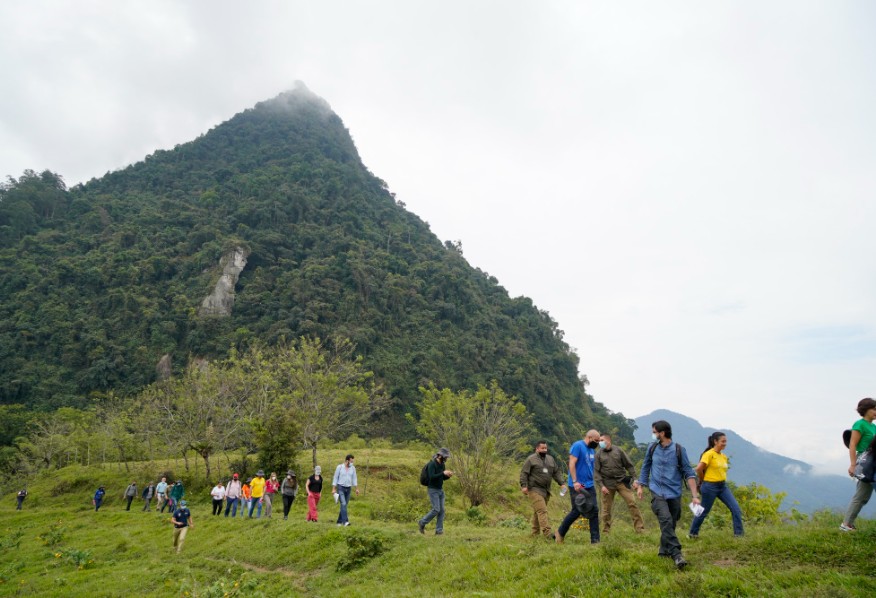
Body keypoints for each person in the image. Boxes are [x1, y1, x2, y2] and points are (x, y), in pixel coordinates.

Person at [634, 420, 700, 570]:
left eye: (654, 432)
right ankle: (677, 554)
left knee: (671, 522)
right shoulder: (652, 448)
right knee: (665, 519)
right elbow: (645, 467)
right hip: (657, 490)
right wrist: (641, 486)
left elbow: (689, 473)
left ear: (662, 433)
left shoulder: (679, 450)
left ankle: (663, 552)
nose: (653, 434)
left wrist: (695, 496)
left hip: (674, 492)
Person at [688, 431, 744, 538]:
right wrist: (702, 479)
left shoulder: (723, 456)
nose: (725, 444)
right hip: (710, 487)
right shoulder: (709, 454)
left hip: (722, 486)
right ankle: (693, 533)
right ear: (715, 441)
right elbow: (699, 469)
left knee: (735, 508)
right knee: (703, 511)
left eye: (725, 441)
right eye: (723, 441)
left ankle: (739, 535)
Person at [556, 430, 601, 544]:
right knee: (577, 511)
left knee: (594, 511)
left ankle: (595, 541)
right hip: (577, 485)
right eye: (596, 440)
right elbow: (572, 463)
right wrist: (575, 481)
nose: (597, 443)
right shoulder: (578, 446)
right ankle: (560, 533)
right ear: (589, 437)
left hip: (589, 484)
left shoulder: (591, 450)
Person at [594, 433, 645, 534]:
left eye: (602, 440)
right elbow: (596, 472)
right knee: (606, 509)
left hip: (621, 481)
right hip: (607, 484)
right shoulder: (598, 454)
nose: (600, 443)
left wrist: (635, 479)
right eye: (599, 441)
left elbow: (629, 465)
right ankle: (606, 531)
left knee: (632, 503)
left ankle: (640, 529)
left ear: (608, 440)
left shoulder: (618, 450)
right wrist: (602, 486)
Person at [840, 397, 876, 532]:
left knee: (862, 496)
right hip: (865, 463)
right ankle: (846, 524)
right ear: (865, 410)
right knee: (861, 496)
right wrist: (853, 465)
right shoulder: (859, 425)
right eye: (874, 409)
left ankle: (847, 524)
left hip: (874, 462)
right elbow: (852, 444)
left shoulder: (873, 427)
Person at [519, 440, 565, 538]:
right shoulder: (531, 459)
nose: (544, 450)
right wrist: (524, 486)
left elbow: (556, 472)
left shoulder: (550, 459)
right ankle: (547, 534)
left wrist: (562, 483)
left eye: (546, 448)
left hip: (546, 490)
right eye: (542, 448)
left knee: (538, 511)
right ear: (537, 449)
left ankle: (534, 534)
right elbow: (524, 473)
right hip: (534, 489)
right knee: (542, 511)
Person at [418, 448, 454, 536]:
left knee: (441, 511)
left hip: (440, 490)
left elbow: (442, 477)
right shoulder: (432, 464)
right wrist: (443, 473)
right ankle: (422, 522)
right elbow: (432, 477)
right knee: (436, 509)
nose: (446, 458)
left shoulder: (442, 464)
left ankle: (439, 531)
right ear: (440, 456)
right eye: (445, 457)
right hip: (433, 490)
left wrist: (448, 475)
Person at [332, 454, 359, 526]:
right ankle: (345, 522)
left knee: (344, 505)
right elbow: (335, 478)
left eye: (353, 461)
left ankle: (339, 522)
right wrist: (334, 488)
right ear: (347, 461)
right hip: (341, 487)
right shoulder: (340, 467)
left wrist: (356, 488)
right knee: (343, 504)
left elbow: (354, 478)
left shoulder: (353, 468)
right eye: (351, 461)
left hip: (348, 488)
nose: (352, 463)